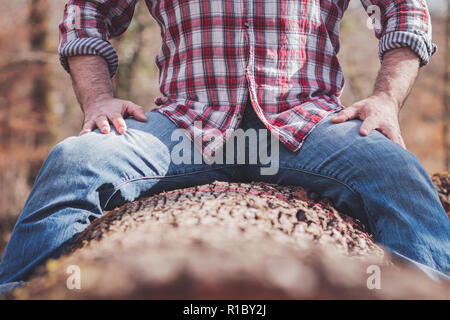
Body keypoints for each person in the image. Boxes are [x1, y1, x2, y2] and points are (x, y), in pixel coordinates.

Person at [1, 0, 449, 295]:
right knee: (74, 160)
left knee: (395, 169)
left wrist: (386, 100)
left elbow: (406, 10)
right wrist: (98, 98)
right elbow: (85, 11)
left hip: (309, 125)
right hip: (182, 128)